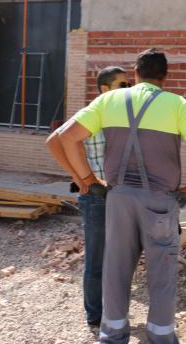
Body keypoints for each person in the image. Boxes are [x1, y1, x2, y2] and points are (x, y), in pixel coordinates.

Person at [56, 48, 186, 344]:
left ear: (136, 72)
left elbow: (66, 137)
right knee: (161, 274)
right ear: (164, 77)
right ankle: (160, 336)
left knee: (115, 269)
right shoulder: (177, 104)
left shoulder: (108, 100)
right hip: (160, 201)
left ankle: (112, 334)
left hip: (117, 198)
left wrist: (89, 180)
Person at [46, 66, 129, 328]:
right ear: (105, 88)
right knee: (96, 259)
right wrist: (80, 178)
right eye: (122, 85)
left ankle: (115, 312)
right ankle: (95, 316)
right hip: (96, 197)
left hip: (119, 194)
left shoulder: (119, 114)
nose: (128, 90)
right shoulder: (93, 112)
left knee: (119, 257)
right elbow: (54, 141)